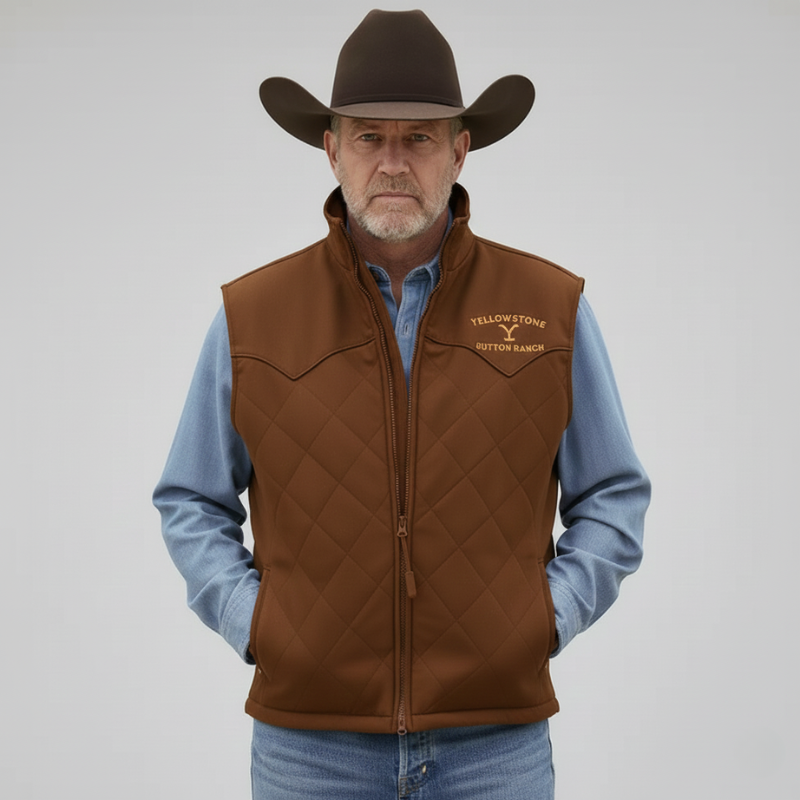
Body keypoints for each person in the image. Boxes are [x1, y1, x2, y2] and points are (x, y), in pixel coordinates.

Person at [153, 9, 650, 799]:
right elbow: (190, 496)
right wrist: (257, 624)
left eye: (419, 138)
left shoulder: (550, 307)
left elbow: (614, 493)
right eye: (368, 137)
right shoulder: (253, 315)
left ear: (461, 148)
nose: (393, 162)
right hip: (309, 751)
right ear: (331, 150)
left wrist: (542, 619)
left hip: (497, 748)